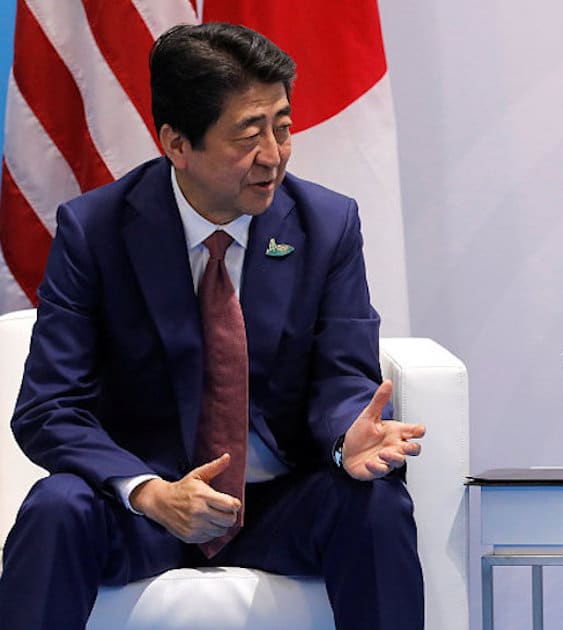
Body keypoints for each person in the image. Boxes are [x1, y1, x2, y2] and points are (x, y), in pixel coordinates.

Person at [0, 23, 425, 629]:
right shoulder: (95, 231)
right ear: (176, 144)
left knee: (377, 503)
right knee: (56, 506)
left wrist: (344, 437)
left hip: (279, 503)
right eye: (249, 135)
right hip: (149, 507)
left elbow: (342, 377)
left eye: (282, 127)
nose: (273, 156)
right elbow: (49, 407)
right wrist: (147, 490)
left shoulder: (326, 225)